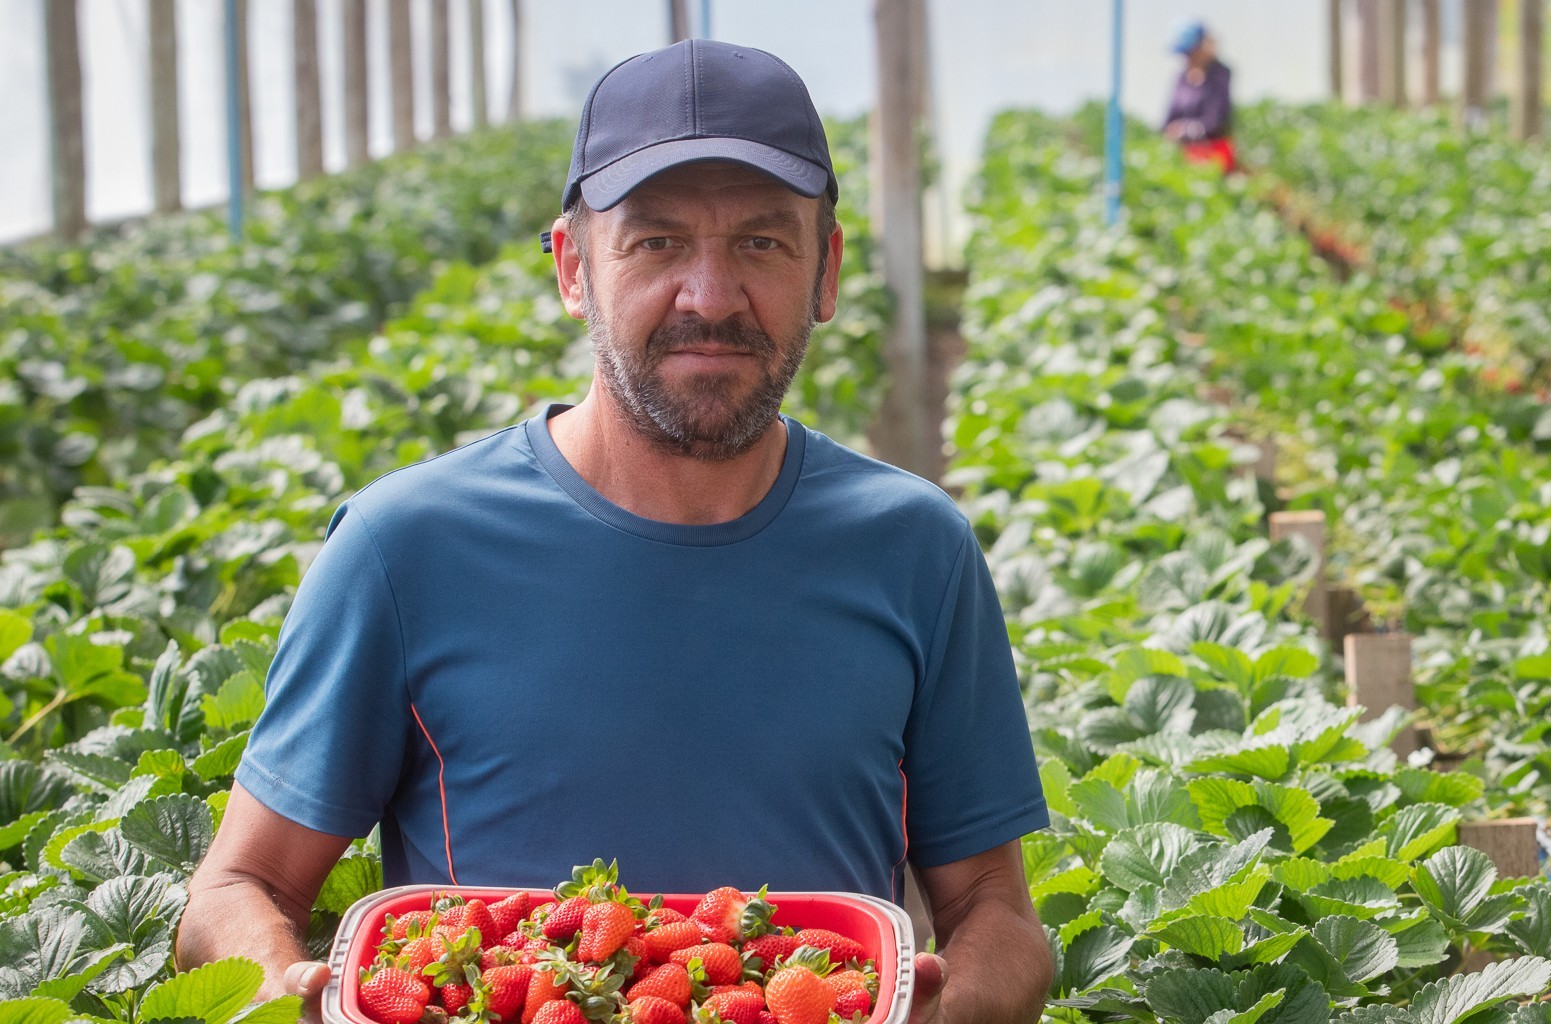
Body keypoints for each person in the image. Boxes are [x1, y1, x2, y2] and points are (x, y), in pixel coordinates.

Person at [174, 39, 1053, 1024]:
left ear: (827, 269)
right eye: (656, 243)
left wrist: (953, 1010)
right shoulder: (402, 550)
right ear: (571, 267)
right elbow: (235, 888)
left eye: (761, 242)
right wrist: (287, 986)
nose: (709, 296)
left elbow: (994, 911)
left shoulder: (916, 550)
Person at [1161, 21, 1236, 173]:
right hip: (1184, 153)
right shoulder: (1181, 79)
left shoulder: (1219, 75)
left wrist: (1183, 129)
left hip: (1214, 154)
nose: (1187, 58)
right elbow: (1167, 120)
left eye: (1191, 52)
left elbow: (1215, 122)